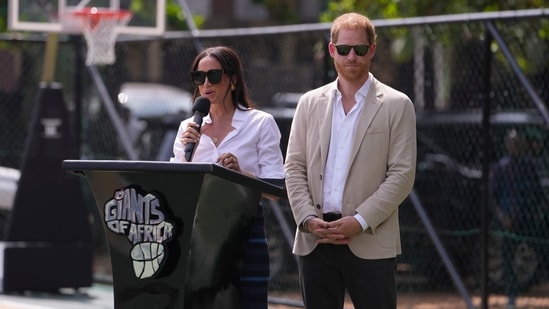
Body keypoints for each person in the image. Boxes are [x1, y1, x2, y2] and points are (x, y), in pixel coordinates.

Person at [284, 12, 417, 309]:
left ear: (372, 49)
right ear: (332, 51)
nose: (351, 56)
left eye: (359, 49)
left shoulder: (398, 105)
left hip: (369, 239)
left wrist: (358, 221)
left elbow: (402, 175)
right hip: (315, 239)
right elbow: (294, 167)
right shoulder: (308, 103)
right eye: (344, 49)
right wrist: (307, 220)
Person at [170, 46, 285, 308]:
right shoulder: (187, 129)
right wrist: (190, 154)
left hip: (243, 230)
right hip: (197, 234)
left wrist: (240, 175)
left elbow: (276, 190)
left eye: (214, 76)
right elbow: (176, 187)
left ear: (233, 80)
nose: (206, 84)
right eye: (199, 78)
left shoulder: (260, 123)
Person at [489, 129, 545, 309]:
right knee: (507, 259)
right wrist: (502, 217)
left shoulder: (529, 167)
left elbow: (537, 193)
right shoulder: (501, 168)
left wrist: (534, 213)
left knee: (539, 253)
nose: (515, 146)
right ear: (507, 145)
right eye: (512, 143)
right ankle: (511, 295)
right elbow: (492, 197)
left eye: (518, 143)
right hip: (508, 221)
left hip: (527, 219)